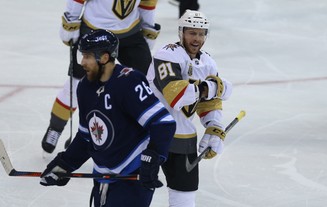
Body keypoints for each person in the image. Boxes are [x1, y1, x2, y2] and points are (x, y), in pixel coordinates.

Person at [40, 30, 176, 207]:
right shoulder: (84, 87)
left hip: (132, 175)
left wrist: (152, 158)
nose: (82, 62)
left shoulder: (129, 81)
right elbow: (86, 137)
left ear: (104, 58)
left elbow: (163, 124)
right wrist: (65, 164)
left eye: (87, 56)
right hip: (102, 177)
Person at [41, 0, 162, 153]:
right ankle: (55, 127)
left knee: (146, 82)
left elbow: (147, 3)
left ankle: (144, 132)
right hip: (94, 31)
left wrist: (148, 30)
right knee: (77, 83)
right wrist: (71, 22)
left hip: (129, 33)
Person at [146, 10, 233, 206]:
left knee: (184, 199)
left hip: (183, 139)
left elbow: (210, 103)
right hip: (150, 136)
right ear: (181, 33)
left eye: (201, 34)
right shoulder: (167, 54)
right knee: (137, 194)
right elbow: (176, 95)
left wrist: (213, 125)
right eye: (192, 33)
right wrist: (210, 86)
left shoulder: (208, 62)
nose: (197, 39)